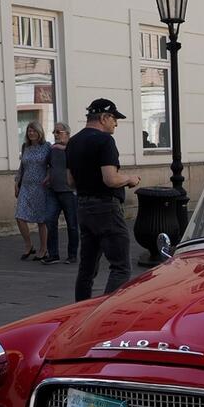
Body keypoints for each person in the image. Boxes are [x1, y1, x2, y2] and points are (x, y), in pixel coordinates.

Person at [67, 98, 140, 301]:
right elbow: (110, 179)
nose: (116, 123)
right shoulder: (104, 141)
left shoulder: (73, 141)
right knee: (121, 267)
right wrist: (129, 179)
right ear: (104, 117)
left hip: (83, 206)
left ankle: (79, 311)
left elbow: (70, 181)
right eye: (114, 118)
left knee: (87, 268)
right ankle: (107, 313)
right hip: (106, 207)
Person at [41, 122, 78, 265]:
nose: (55, 135)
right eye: (54, 132)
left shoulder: (73, 148)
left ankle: (72, 255)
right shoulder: (53, 149)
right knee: (50, 220)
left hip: (69, 192)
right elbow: (50, 166)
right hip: (53, 191)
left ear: (67, 134)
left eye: (58, 132)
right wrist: (48, 177)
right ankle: (53, 254)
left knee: (72, 224)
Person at [14, 121, 50, 260]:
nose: (31, 133)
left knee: (41, 220)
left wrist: (49, 176)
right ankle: (28, 245)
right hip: (26, 187)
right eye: (29, 131)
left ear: (39, 132)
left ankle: (43, 249)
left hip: (41, 187)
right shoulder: (25, 147)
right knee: (19, 216)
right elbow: (21, 167)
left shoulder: (46, 147)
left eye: (34, 130)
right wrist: (16, 182)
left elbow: (52, 165)